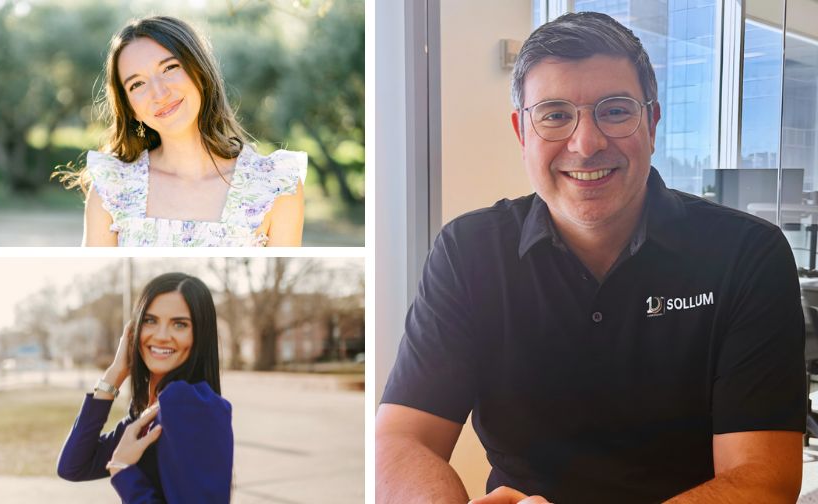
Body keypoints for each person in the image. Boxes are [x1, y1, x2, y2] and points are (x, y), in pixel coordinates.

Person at [376, 11, 805, 504]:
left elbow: (763, 478)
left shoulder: (747, 254)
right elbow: (402, 438)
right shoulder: (468, 252)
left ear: (653, 122)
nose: (586, 143)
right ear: (522, 132)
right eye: (555, 115)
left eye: (616, 111)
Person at [57, 16, 306, 247]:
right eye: (137, 84)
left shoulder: (275, 184)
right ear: (130, 108)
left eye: (169, 68)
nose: (159, 93)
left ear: (199, 70)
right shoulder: (112, 187)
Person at [58, 272, 233, 503]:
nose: (161, 336)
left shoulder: (188, 403)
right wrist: (115, 373)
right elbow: (74, 465)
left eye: (179, 324)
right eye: (150, 320)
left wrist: (123, 471)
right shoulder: (151, 410)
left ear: (200, 335)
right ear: (135, 329)